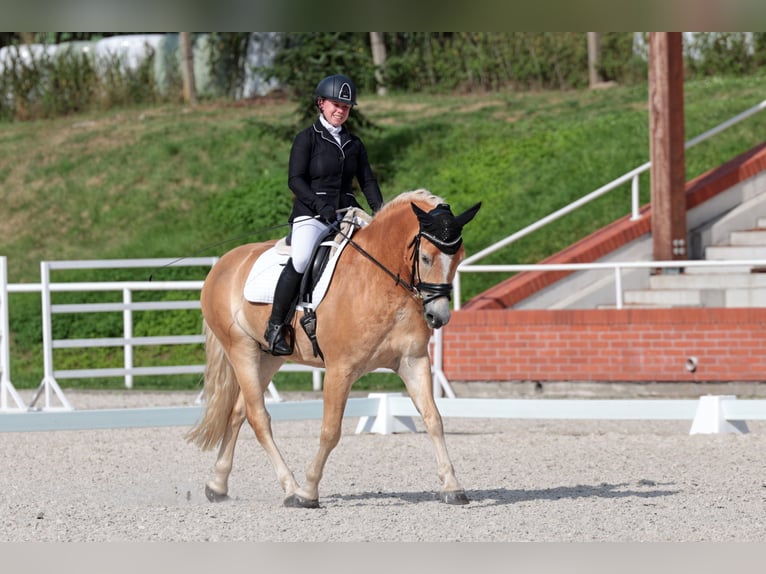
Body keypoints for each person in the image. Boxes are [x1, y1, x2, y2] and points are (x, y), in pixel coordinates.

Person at [264, 73, 384, 356]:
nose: (340, 110)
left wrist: (380, 213)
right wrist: (320, 207)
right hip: (312, 213)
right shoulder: (307, 139)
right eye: (335, 104)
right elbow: (295, 180)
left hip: (346, 212)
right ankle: (275, 325)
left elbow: (367, 181)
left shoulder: (354, 144)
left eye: (346, 107)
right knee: (303, 257)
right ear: (321, 103)